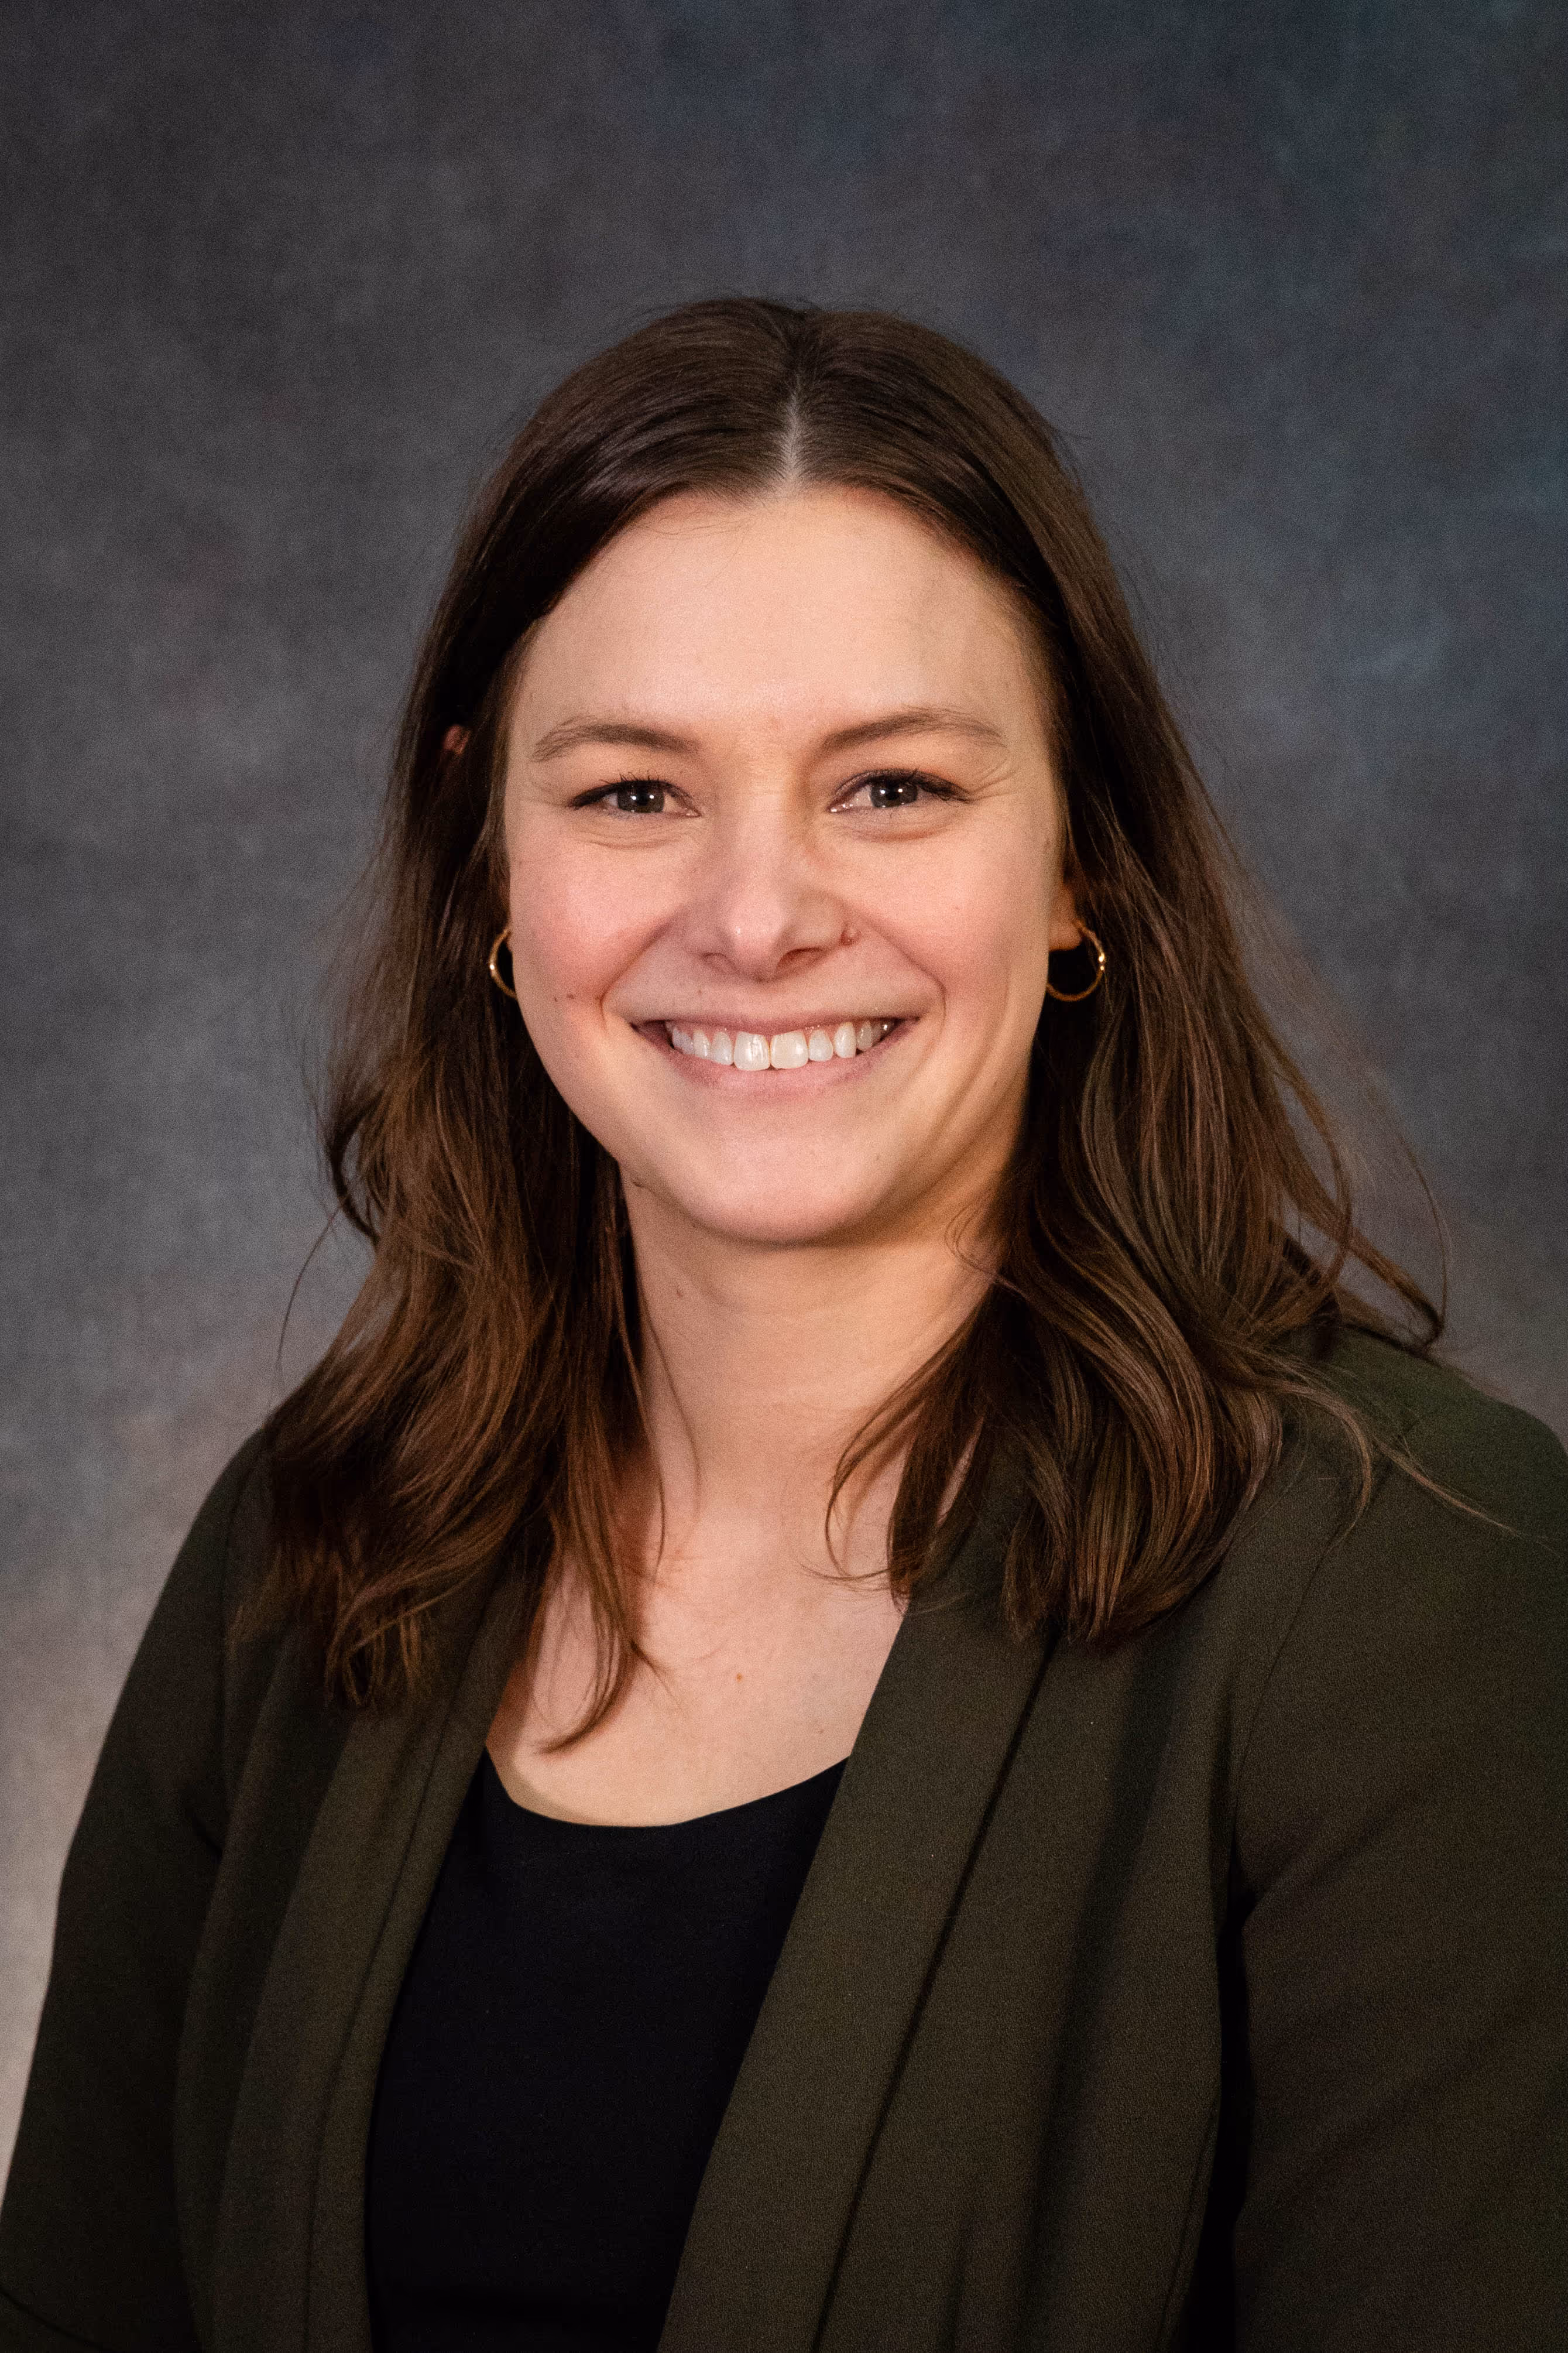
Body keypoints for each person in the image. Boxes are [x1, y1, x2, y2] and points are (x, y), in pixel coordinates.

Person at [1, 299, 1563, 2353]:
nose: (754, 916)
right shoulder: (320, 1543)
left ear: (1079, 854)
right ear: (489, 852)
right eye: (634, 795)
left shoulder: (1408, 1587)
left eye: (892, 788)